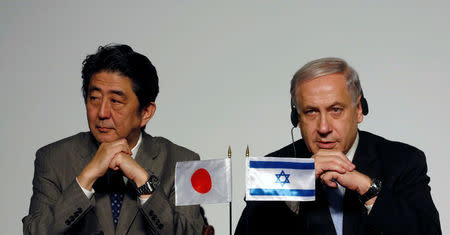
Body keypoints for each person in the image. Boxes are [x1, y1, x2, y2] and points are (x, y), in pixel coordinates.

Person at [235, 57, 441, 235]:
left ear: (359, 109)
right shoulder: (272, 168)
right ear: (297, 118)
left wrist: (367, 189)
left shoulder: (403, 161)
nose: (323, 127)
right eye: (311, 112)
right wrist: (297, 181)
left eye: (335, 110)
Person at [23, 44, 206, 235]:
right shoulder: (53, 159)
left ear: (146, 112)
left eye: (116, 101)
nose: (102, 113)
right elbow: (34, 232)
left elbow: (191, 232)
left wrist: (144, 182)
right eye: (94, 98)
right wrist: (86, 178)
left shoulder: (181, 162)